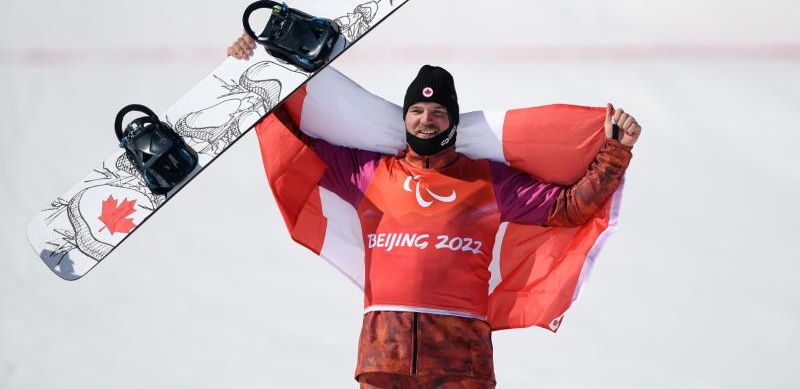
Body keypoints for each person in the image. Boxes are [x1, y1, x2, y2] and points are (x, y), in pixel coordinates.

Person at [228, 32, 641, 388]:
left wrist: (615, 151)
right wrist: (249, 70)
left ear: (453, 123)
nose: (427, 120)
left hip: (461, 360)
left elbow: (569, 209)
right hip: (382, 359)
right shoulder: (370, 172)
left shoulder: (488, 180)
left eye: (438, 113)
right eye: (417, 112)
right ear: (405, 118)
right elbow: (296, 144)